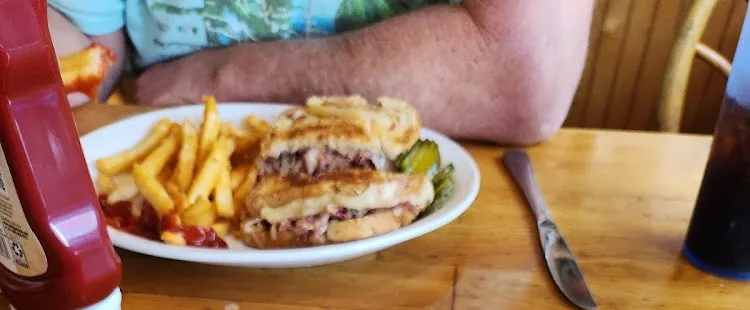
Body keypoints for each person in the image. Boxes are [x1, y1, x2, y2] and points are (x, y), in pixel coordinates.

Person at [48, 0, 593, 143]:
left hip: (445, 232)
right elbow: (89, 54)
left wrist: (220, 80)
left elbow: (524, 83)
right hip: (163, 244)